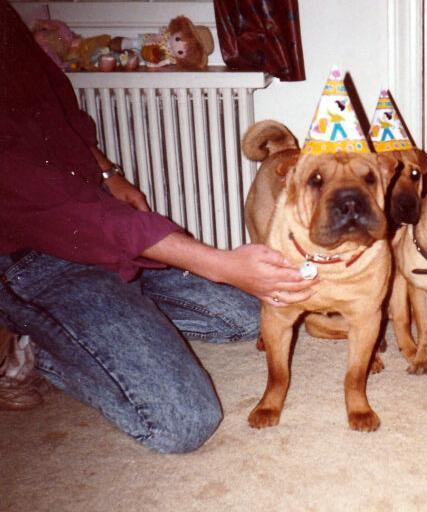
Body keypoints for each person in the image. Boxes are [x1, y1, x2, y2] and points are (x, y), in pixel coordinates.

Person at [0, 0, 314, 453]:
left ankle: (108, 321)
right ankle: (36, 340)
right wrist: (220, 265)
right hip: (33, 257)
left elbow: (56, 111)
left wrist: (108, 172)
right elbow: (68, 214)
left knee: (251, 317)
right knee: (185, 421)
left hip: (96, 221)